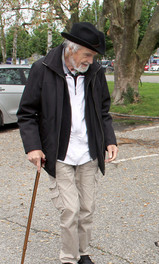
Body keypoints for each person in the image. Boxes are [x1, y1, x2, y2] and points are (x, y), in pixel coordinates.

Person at [17, 22, 118, 264]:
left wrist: (109, 139)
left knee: (86, 209)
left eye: (94, 56)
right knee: (70, 210)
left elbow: (103, 110)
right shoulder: (42, 69)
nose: (91, 61)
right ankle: (69, 258)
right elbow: (27, 112)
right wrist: (33, 146)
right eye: (88, 55)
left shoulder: (95, 72)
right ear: (72, 49)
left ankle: (83, 254)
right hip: (59, 153)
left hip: (88, 151)